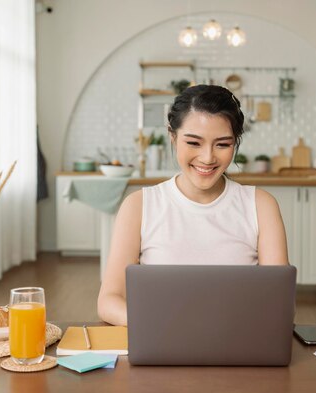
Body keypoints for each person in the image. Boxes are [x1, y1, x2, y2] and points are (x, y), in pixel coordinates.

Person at [97, 85, 288, 326]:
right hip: (160, 341)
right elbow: (108, 301)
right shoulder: (138, 206)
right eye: (194, 143)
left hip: (236, 343)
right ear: (173, 136)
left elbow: (279, 303)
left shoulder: (262, 206)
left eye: (222, 144)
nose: (207, 158)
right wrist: (161, 322)